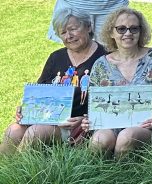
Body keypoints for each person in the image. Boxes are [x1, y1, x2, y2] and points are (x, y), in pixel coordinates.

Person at [1, 12, 106, 152]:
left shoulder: (105, 57)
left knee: (36, 132)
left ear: (88, 27)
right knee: (13, 131)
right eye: (63, 32)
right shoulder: (56, 57)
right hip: (49, 119)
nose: (69, 36)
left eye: (73, 29)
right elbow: (40, 92)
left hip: (82, 126)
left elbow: (109, 100)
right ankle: (5, 170)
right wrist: (26, 109)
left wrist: (85, 118)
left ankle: (19, 172)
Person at [84, 7, 152, 155]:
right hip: (111, 124)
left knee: (127, 137)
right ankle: (98, 175)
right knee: (99, 140)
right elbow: (94, 104)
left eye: (134, 29)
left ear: (141, 32)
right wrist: (90, 119)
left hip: (149, 126)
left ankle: (124, 176)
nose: (128, 33)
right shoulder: (101, 65)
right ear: (111, 32)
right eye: (121, 29)